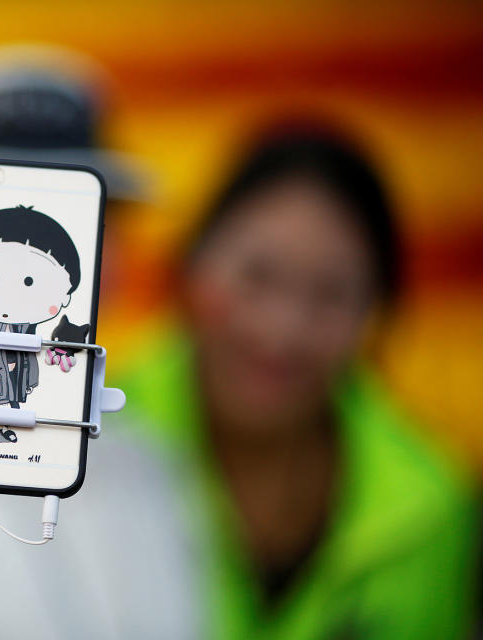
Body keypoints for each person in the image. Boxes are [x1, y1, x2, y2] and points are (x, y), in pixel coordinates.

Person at [123, 123, 479, 638]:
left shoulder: (433, 510)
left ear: (378, 312)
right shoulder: (82, 454)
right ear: (191, 266)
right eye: (256, 276)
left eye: (331, 294)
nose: (281, 332)